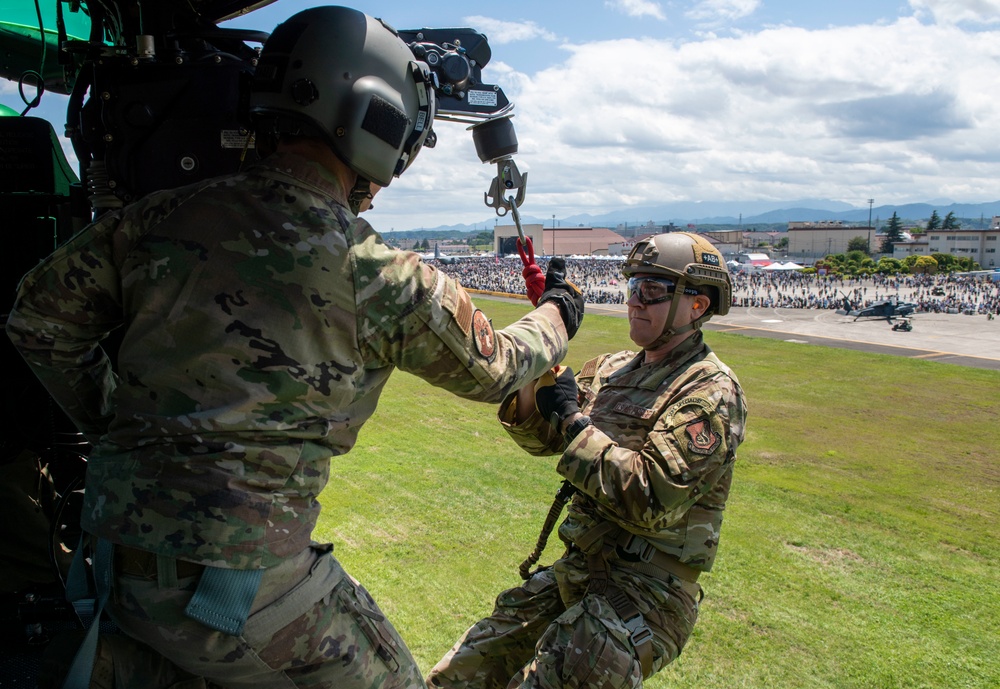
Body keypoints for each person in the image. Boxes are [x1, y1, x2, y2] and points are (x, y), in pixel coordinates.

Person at [5, 6, 583, 688]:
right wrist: (559, 311)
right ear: (374, 120)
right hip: (234, 593)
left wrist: (110, 416)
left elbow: (38, 316)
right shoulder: (374, 271)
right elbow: (499, 368)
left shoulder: (157, 218)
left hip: (117, 570)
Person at [427, 232, 747, 689]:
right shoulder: (613, 369)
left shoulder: (709, 393)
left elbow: (649, 499)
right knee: (459, 674)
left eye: (654, 290)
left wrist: (576, 422)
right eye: (634, 286)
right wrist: (544, 344)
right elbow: (542, 439)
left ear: (698, 305)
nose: (637, 301)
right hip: (580, 569)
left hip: (647, 593)